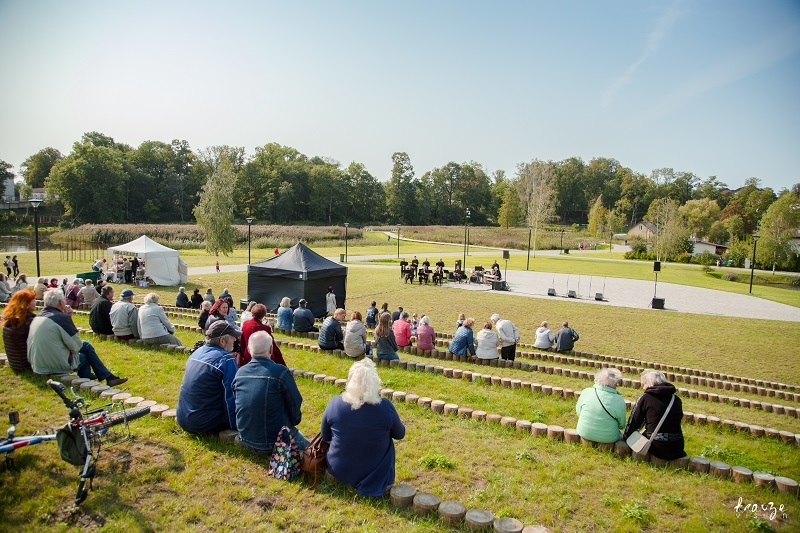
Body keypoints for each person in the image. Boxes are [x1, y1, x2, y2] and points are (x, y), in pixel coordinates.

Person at [321, 358, 406, 496]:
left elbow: (325, 436)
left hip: (338, 470)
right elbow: (400, 434)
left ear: (349, 381)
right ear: (375, 384)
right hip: (375, 476)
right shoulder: (385, 407)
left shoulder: (334, 404)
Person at [28, 289, 128, 386]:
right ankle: (104, 377)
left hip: (38, 364)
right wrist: (68, 318)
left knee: (84, 351)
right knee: (85, 351)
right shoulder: (61, 318)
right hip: (53, 365)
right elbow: (76, 346)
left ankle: (93, 379)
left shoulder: (38, 316)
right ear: (60, 302)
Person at [234, 331, 308, 454]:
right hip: (276, 441)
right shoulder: (280, 372)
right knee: (315, 450)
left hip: (246, 437)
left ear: (248, 349)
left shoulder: (240, 372)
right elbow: (295, 402)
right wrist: (294, 423)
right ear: (271, 349)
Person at [176, 321, 240, 435]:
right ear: (222, 341)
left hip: (183, 417)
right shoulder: (226, 360)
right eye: (232, 337)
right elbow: (231, 396)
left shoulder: (196, 353)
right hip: (203, 423)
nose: (235, 340)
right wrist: (235, 425)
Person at [623, 370, 685, 460]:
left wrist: (626, 437)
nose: (643, 387)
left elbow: (635, 421)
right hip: (677, 447)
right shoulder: (676, 399)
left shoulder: (645, 398)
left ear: (649, 383)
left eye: (643, 384)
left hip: (656, 446)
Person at [576, 368, 626, 444]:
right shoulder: (619, 399)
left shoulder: (586, 391)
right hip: (609, 437)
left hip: (584, 431)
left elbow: (579, 412)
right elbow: (622, 424)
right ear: (615, 383)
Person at [1, 288, 36, 371]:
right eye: (33, 300)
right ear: (26, 304)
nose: (35, 302)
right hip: (27, 365)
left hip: (15, 363)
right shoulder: (28, 322)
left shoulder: (10, 320)